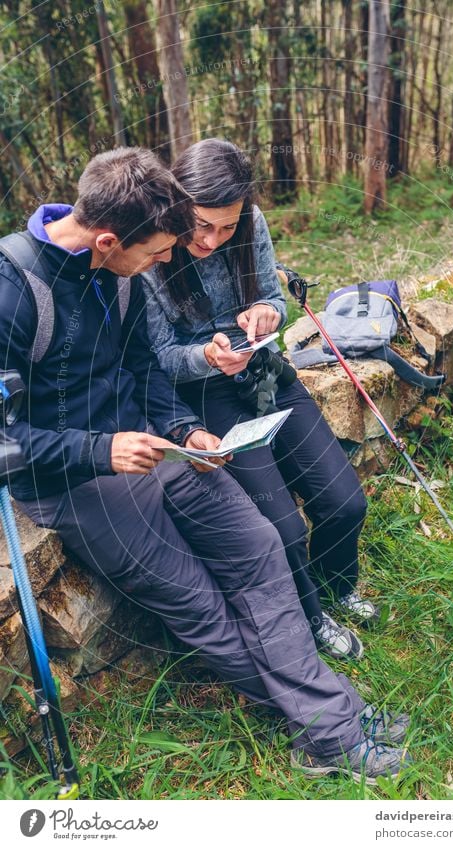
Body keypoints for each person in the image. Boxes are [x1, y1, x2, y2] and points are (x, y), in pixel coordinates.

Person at [0, 147, 411, 783]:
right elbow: (5, 438)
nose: (170, 260)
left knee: (260, 550)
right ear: (106, 241)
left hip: (160, 449)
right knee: (202, 603)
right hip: (73, 483)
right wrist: (97, 450)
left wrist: (184, 428)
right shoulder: (13, 291)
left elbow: (140, 369)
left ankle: (331, 722)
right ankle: (334, 729)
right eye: (160, 251)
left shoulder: (125, 274)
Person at [143, 138, 379, 662]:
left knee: (344, 501)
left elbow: (274, 300)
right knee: (283, 527)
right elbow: (157, 355)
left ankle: (338, 584)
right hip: (204, 392)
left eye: (226, 227)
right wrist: (206, 355)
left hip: (265, 372)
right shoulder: (153, 251)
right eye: (201, 224)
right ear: (180, 204)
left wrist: (268, 315)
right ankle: (312, 617)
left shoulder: (251, 222)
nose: (212, 239)